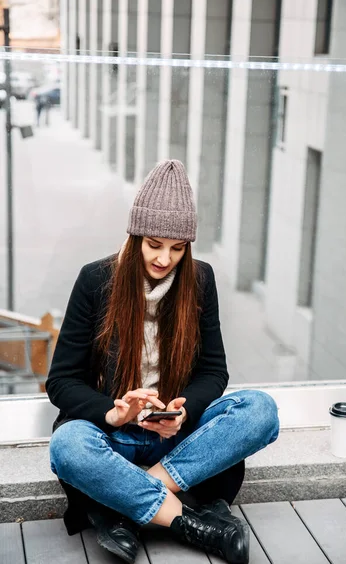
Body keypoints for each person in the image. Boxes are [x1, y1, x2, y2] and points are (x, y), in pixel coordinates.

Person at [46, 159, 279, 564]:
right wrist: (115, 414)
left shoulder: (200, 280)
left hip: (176, 437)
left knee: (261, 409)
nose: (164, 258)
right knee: (68, 445)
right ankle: (187, 521)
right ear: (135, 235)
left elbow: (213, 370)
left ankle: (129, 506)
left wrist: (183, 411)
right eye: (154, 244)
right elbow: (61, 381)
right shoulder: (95, 280)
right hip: (115, 438)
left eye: (177, 248)